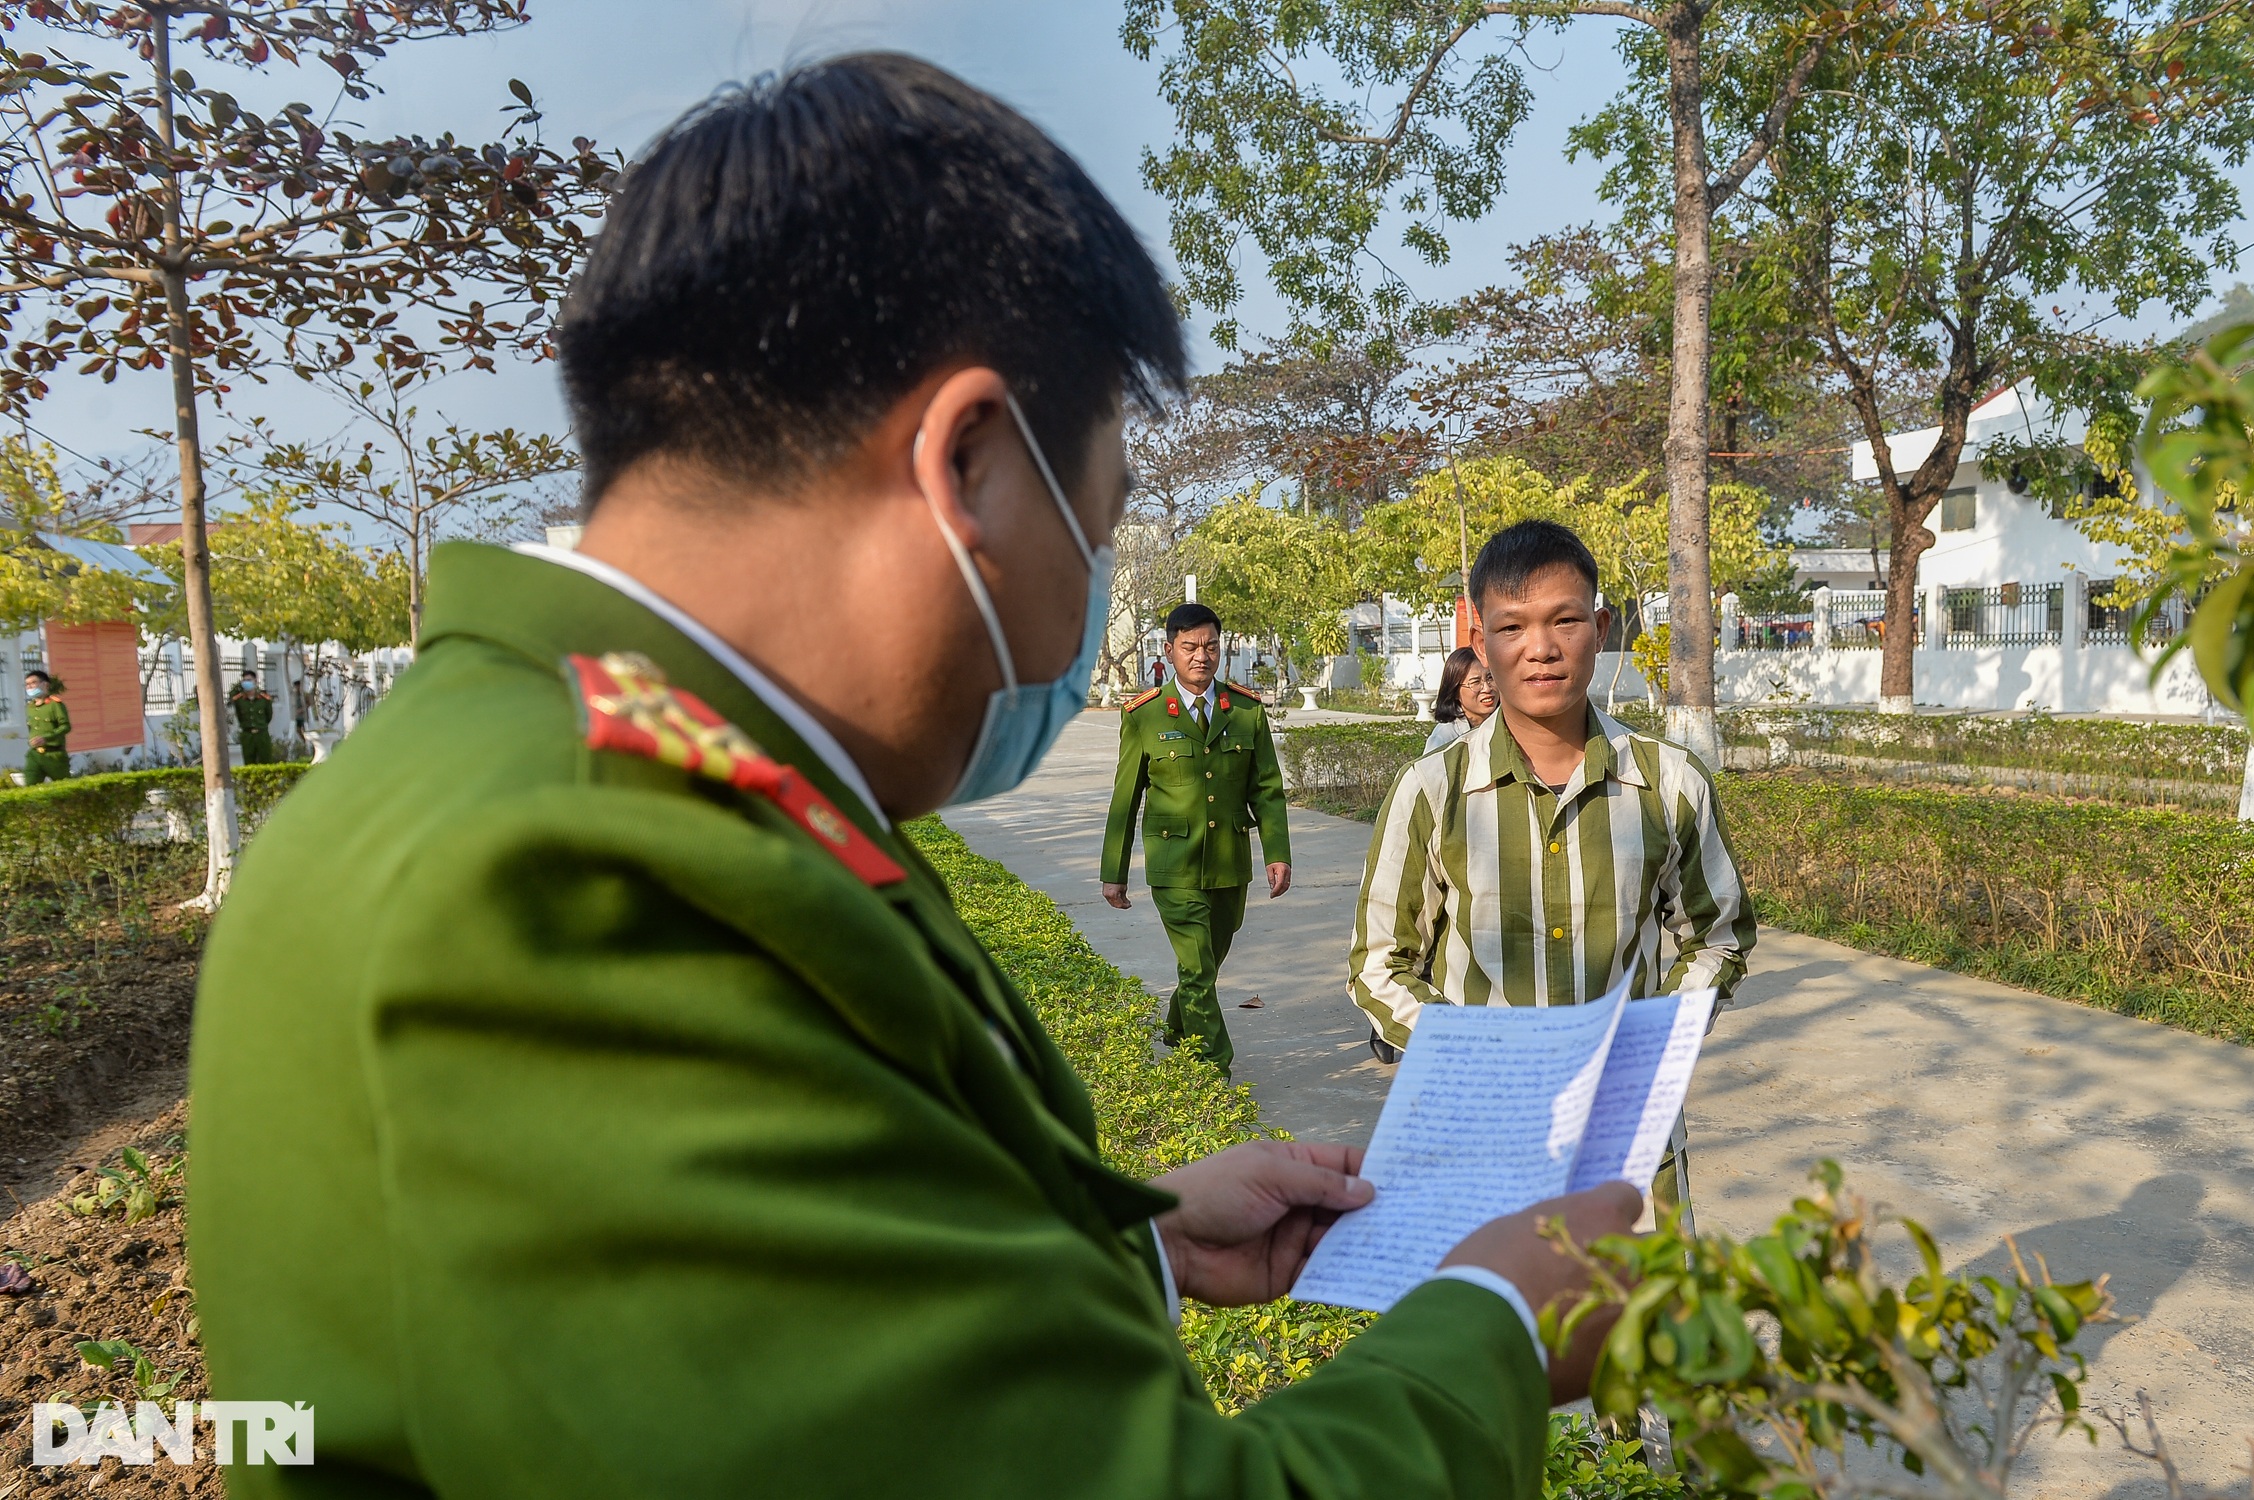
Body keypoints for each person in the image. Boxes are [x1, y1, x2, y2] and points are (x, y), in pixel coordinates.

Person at [188, 57, 1639, 1500]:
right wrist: (1497, 1325)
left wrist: (1137, 1239)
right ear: (966, 467)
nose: (1082, 614)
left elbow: (807, 1346)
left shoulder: (564, 773)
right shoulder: (577, 895)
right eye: (1098, 519)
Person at [1349, 520, 1757, 1214]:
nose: (1540, 649)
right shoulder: (1430, 791)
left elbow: (1716, 937)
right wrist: (1483, 1066)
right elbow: (1380, 966)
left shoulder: (1670, 783)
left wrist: (1644, 1049)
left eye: (1565, 620)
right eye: (1512, 628)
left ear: (1599, 627)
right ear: (1482, 643)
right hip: (1479, 1142)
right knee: (1494, 1322)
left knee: (1639, 1320)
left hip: (1628, 1143)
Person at [1100, 602, 1289, 1079]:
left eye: (1210, 646)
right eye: (1189, 647)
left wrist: (1278, 853)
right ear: (1169, 651)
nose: (1201, 656)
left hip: (1229, 862)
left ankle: (1178, 1030)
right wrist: (1113, 874)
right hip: (1173, 864)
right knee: (1198, 967)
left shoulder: (1245, 711)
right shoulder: (1143, 716)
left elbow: (1267, 788)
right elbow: (1125, 799)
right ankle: (1213, 1068)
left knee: (1207, 962)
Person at [1422, 645, 1496, 754]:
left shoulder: (1505, 724)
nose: (1487, 688)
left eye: (1490, 678)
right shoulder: (1444, 738)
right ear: (1455, 691)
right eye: (1475, 682)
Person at [21, 669, 69, 785]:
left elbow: (66, 726)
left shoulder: (55, 705)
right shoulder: (30, 707)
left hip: (54, 755)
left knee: (64, 787)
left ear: (45, 684)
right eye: (27, 684)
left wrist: (46, 738)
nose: (30, 687)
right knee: (30, 787)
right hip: (35, 754)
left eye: (33, 683)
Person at [229, 670, 276, 765]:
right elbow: (240, 716)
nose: (246, 682)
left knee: (266, 761)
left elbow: (268, 716)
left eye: (249, 680)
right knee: (249, 762)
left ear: (255, 681)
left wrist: (260, 725)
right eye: (244, 680)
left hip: (262, 734)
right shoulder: (239, 700)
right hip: (247, 735)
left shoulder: (264, 699)